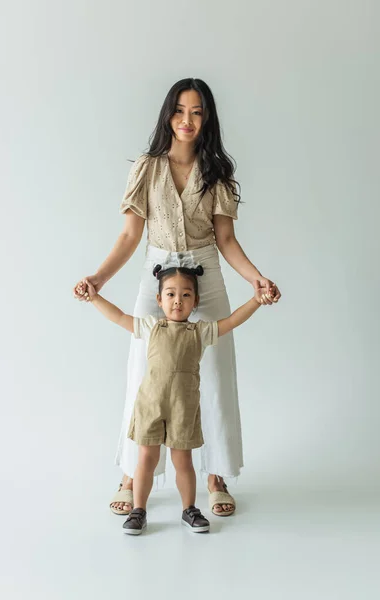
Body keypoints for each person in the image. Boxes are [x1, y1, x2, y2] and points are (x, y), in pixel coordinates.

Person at [73, 77, 281, 518]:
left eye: (197, 112)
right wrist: (99, 277)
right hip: (157, 274)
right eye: (180, 111)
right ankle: (132, 473)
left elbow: (225, 239)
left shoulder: (217, 172)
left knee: (217, 370)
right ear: (168, 114)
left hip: (206, 273)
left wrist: (256, 278)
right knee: (141, 370)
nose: (187, 121)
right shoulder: (147, 167)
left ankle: (216, 475)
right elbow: (131, 235)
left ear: (207, 120)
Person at [83, 258, 266, 534]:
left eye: (185, 295)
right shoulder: (150, 327)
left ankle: (189, 509)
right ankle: (138, 510)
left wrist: (256, 300)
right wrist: (94, 297)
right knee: (146, 459)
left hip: (183, 409)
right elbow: (119, 316)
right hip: (150, 407)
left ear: (196, 301)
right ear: (159, 298)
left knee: (183, 461)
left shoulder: (200, 332)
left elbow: (231, 321)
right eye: (170, 294)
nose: (177, 301)